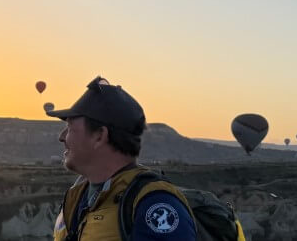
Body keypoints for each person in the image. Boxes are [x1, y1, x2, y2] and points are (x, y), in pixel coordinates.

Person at [48, 76, 196, 240]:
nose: (61, 137)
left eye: (69, 128)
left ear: (99, 136)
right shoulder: (77, 197)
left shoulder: (154, 204)